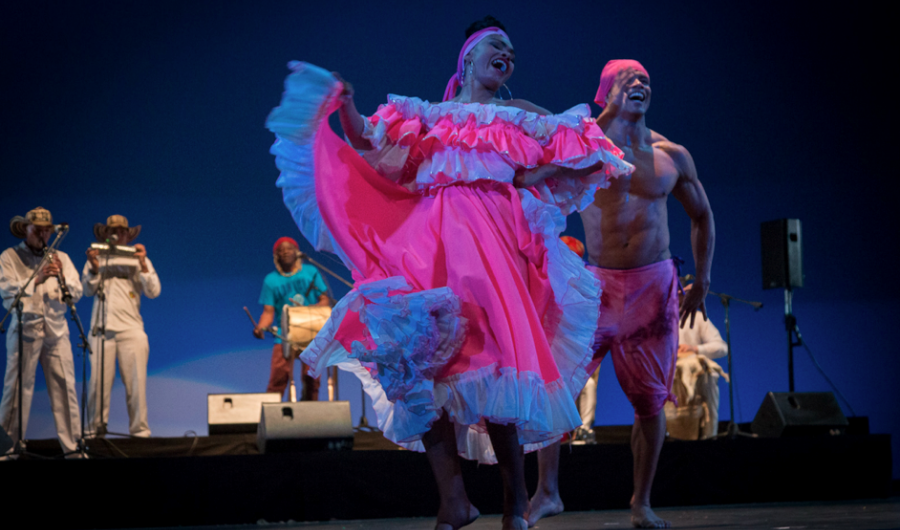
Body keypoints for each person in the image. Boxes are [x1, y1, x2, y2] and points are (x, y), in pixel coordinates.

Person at [265, 16, 632, 530]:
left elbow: (573, 149)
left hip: (493, 259)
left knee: (499, 370)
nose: (508, 54)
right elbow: (368, 140)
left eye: (512, 49)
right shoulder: (430, 117)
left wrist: (579, 151)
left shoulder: (520, 117)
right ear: (469, 59)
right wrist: (345, 102)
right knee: (424, 364)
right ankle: (453, 501)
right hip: (431, 253)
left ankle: (514, 503)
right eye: (497, 46)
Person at [530, 60, 715, 529]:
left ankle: (641, 503)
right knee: (556, 389)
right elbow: (532, 182)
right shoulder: (583, 145)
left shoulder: (671, 155)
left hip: (653, 289)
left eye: (645, 81)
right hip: (597, 286)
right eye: (628, 80)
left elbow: (702, 217)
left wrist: (703, 279)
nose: (640, 85)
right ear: (605, 91)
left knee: (650, 402)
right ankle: (547, 492)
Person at [0, 207, 82, 455]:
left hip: (56, 331)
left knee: (65, 390)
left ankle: (73, 449)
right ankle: (8, 449)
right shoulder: (10, 256)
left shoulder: (62, 257)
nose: (43, 235)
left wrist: (61, 278)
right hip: (25, 328)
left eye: (47, 230)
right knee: (16, 390)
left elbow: (76, 291)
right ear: (26, 229)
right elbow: (6, 290)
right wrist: (37, 278)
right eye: (37, 229)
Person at [82, 215, 160, 438]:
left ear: (128, 234)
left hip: (131, 330)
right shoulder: (96, 256)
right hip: (101, 330)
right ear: (106, 234)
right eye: (113, 230)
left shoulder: (137, 258)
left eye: (122, 231)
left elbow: (154, 291)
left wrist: (143, 264)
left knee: (136, 386)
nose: (118, 234)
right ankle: (93, 434)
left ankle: (140, 433)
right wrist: (95, 267)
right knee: (97, 387)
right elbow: (86, 290)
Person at [253, 236, 328, 401]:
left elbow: (324, 300)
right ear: (276, 256)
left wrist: (314, 310)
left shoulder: (310, 272)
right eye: (281, 250)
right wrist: (260, 327)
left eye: (289, 248)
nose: (285, 252)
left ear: (297, 251)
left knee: (312, 377)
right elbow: (268, 311)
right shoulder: (271, 280)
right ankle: (272, 417)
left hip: (310, 330)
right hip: (284, 333)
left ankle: (311, 415)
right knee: (278, 376)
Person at [665, 283, 728, 440]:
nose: (679, 297)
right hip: (668, 378)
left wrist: (695, 349)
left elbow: (721, 347)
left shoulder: (698, 318)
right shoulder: (658, 320)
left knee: (708, 373)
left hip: (698, 379)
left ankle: (709, 437)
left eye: (681, 294)